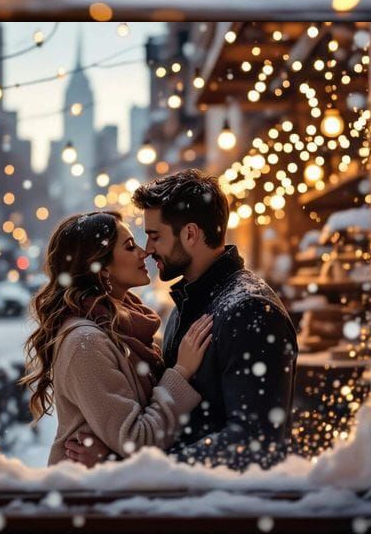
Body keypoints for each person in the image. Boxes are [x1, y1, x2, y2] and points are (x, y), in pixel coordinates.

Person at [65, 170, 299, 471]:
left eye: (155, 236)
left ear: (190, 234)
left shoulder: (250, 310)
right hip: (187, 494)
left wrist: (126, 466)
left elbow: (254, 443)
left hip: (223, 498)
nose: (148, 250)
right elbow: (173, 424)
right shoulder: (186, 308)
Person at [21, 210, 214, 465]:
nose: (144, 253)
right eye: (130, 246)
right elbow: (137, 438)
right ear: (101, 268)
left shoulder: (128, 329)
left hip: (117, 483)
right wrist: (182, 371)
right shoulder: (86, 343)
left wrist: (112, 457)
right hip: (89, 488)